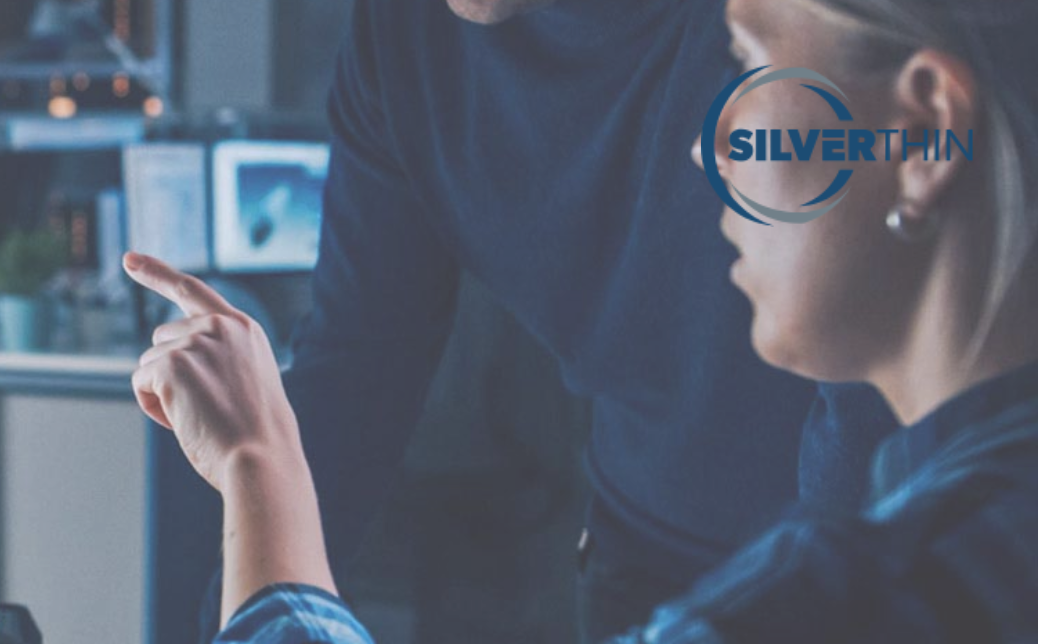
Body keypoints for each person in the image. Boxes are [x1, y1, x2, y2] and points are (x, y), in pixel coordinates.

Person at [126, 0, 1038, 640]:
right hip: (663, 557)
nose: (708, 151)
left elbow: (858, 550)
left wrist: (256, 468)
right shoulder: (402, 43)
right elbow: (356, 366)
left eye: (748, 66)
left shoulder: (808, 39)